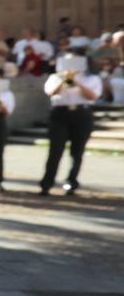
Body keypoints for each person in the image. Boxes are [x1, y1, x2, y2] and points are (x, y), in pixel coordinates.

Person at [39, 48, 103, 196]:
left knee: (77, 151)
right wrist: (64, 78)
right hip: (60, 114)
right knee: (55, 150)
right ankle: (47, 183)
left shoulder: (91, 78)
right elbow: (51, 92)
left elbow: (92, 96)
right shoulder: (55, 77)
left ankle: (71, 182)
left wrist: (77, 81)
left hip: (81, 114)